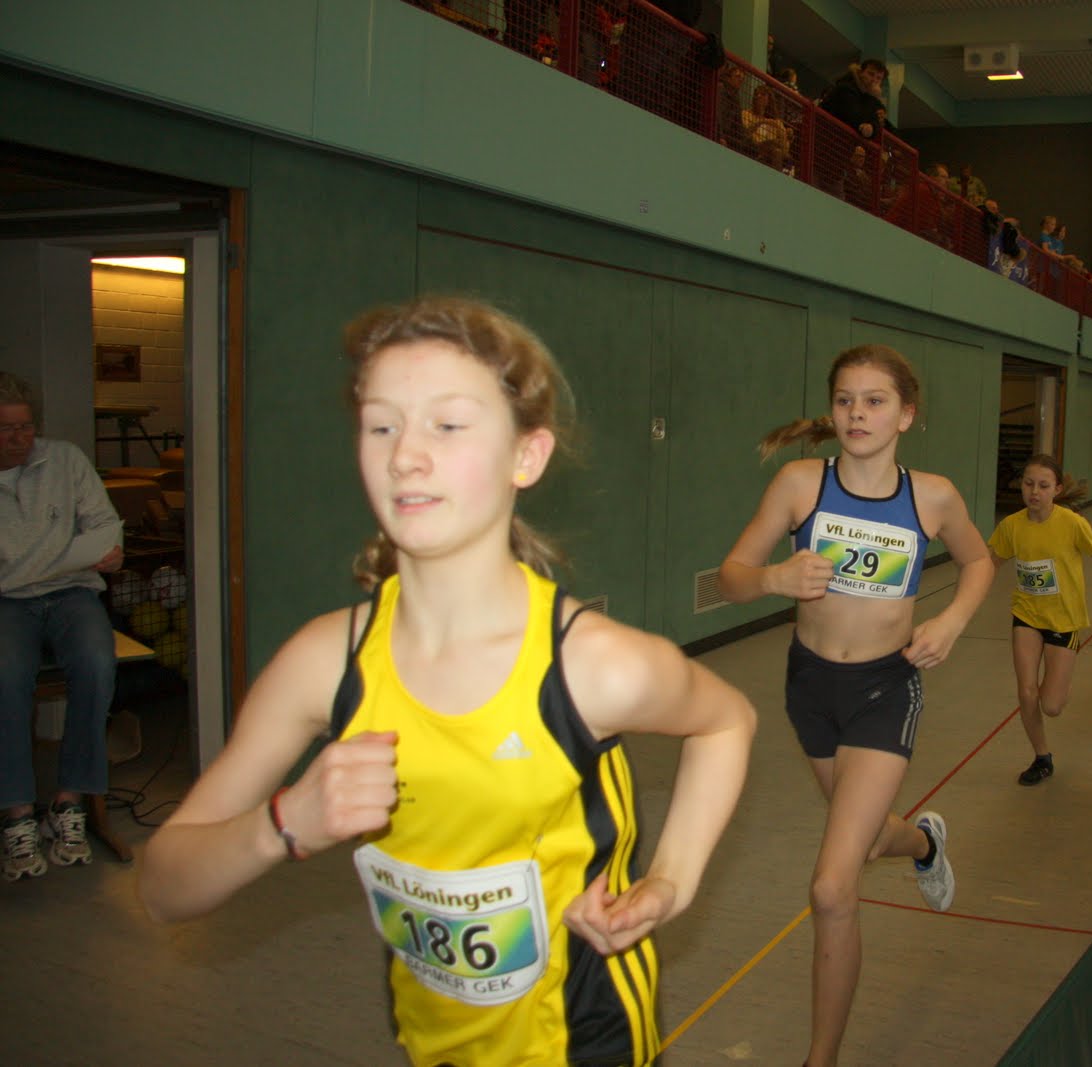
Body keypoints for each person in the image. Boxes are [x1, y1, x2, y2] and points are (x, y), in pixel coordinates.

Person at [138, 298, 757, 1067]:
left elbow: (726, 720)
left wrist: (670, 880)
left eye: (448, 424)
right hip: (428, 1039)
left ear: (526, 456)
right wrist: (285, 821)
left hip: (584, 1038)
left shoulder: (595, 667)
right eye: (381, 425)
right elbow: (163, 885)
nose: (405, 455)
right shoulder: (325, 662)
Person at [717, 343, 993, 1067]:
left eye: (875, 401)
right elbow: (730, 576)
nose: (857, 413)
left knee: (832, 886)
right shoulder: (800, 484)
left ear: (906, 414)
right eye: (845, 400)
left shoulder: (931, 497)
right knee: (867, 841)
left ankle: (822, 1057)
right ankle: (923, 843)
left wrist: (952, 620)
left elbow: (979, 560)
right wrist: (773, 577)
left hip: (884, 689)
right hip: (809, 689)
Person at [1, 372, 124, 882]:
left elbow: (105, 525)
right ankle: (16, 813)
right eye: (7, 429)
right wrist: (48, 562)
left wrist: (108, 554)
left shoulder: (66, 460)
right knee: (6, 676)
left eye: (27, 426)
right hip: (8, 601)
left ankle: (69, 802)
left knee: (97, 662)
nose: (20, 438)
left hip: (72, 592)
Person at [987, 455, 1092, 785]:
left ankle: (1061, 683)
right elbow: (991, 563)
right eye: (1028, 484)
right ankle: (1042, 757)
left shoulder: (1071, 524)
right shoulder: (1011, 526)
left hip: (1064, 621)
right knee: (1026, 691)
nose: (1034, 492)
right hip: (1026, 615)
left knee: (1051, 705)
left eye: (1043, 486)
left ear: (1057, 490)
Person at [818, 59, 887, 140]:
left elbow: (876, 122)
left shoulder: (869, 99)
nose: (873, 80)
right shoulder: (846, 88)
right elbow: (855, 118)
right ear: (861, 73)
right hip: (825, 135)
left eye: (878, 78)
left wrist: (872, 128)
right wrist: (872, 96)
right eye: (871, 74)